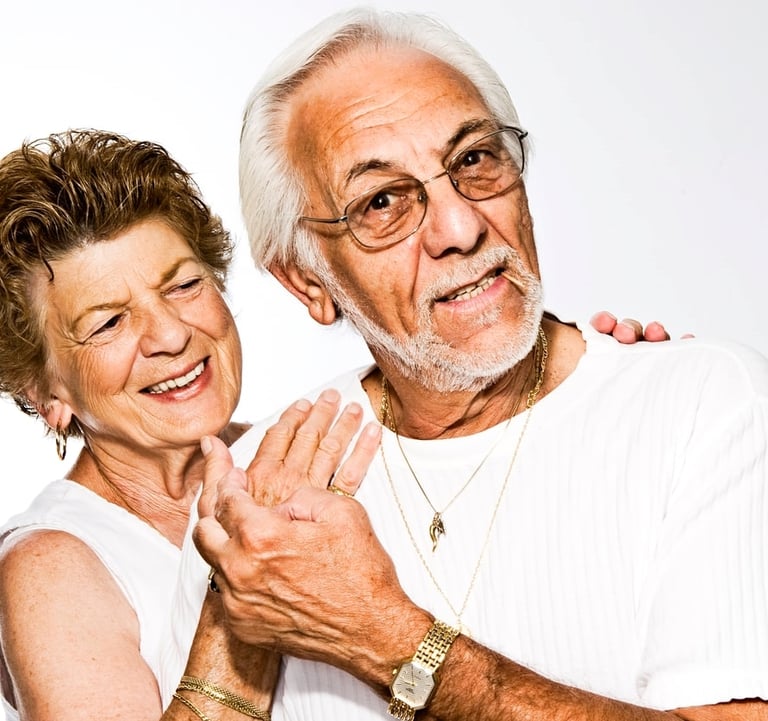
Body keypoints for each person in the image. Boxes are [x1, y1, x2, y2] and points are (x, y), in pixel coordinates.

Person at [168, 7, 768, 721]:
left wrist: (386, 638)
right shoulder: (259, 483)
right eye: (382, 201)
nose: (461, 226)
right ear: (308, 283)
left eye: (474, 160)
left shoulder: (704, 405)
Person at [0, 129, 382, 721]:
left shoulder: (316, 447)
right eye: (108, 324)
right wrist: (244, 597)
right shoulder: (50, 568)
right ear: (47, 393)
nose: (172, 335)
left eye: (183, 285)